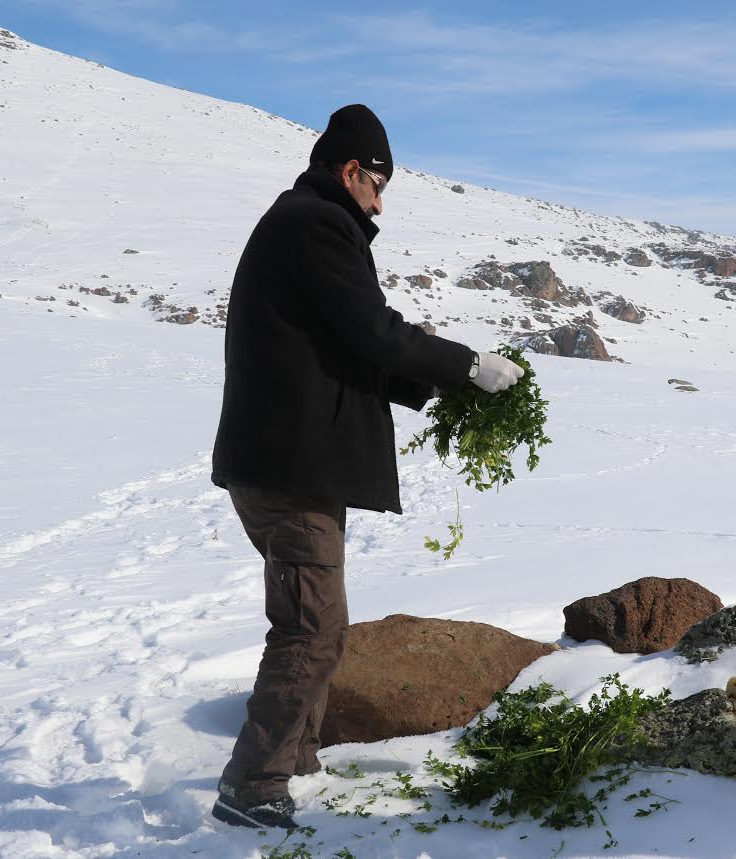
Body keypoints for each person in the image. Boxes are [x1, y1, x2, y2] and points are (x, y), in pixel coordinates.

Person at [208, 103, 524, 830]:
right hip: (289, 471)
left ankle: (297, 760)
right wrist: (465, 367)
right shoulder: (315, 224)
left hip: (286, 464)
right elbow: (373, 333)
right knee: (312, 629)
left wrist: (438, 387)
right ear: (353, 171)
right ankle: (252, 786)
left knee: (313, 619)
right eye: (379, 186)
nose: (381, 203)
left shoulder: (302, 223)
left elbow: (347, 344)